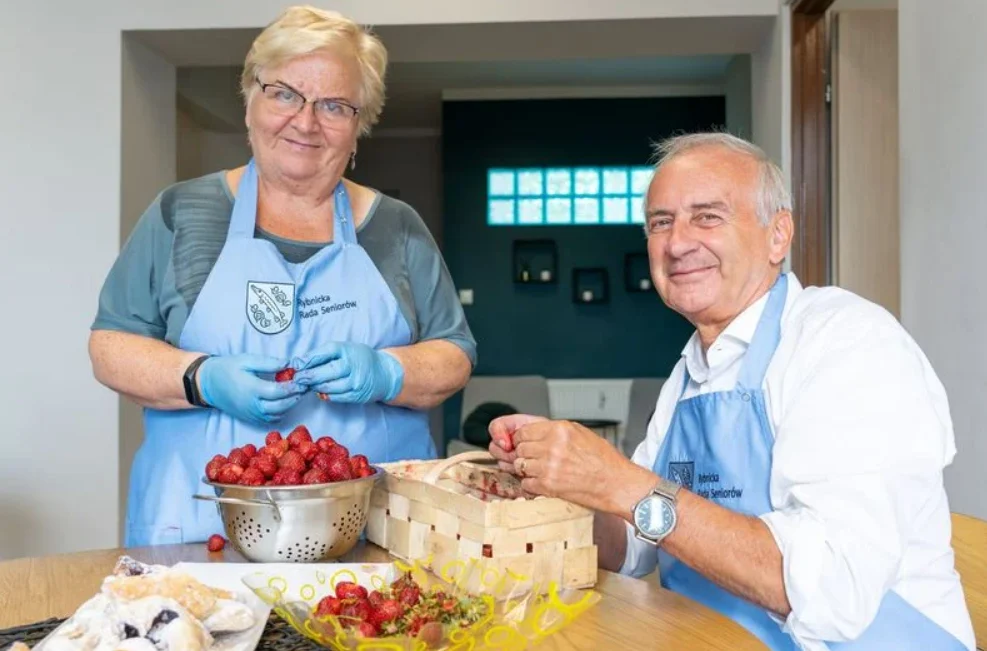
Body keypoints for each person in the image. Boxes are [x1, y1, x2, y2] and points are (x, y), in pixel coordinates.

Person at [488, 133, 975, 650]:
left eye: (708, 216)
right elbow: (635, 544)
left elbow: (833, 590)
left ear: (778, 235)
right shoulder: (690, 372)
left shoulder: (847, 342)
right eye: (660, 222)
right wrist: (563, 483)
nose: (677, 243)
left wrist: (617, 481)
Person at [89, 5, 475, 547]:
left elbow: (454, 355)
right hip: (201, 530)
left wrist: (388, 372)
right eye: (284, 93)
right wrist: (201, 377)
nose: (306, 121)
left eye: (335, 105)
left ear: (359, 125)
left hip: (371, 535)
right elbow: (110, 345)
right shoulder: (182, 214)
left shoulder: (396, 227)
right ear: (250, 100)